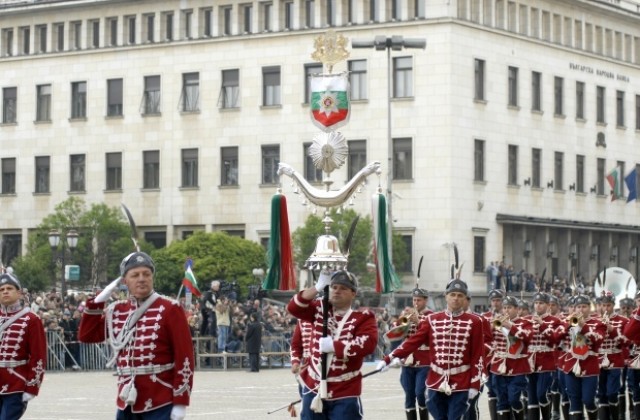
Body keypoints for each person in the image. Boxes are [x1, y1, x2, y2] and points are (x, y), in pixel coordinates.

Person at [78, 251, 194, 420]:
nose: (141, 279)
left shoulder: (170, 308)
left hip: (160, 398)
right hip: (127, 400)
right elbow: (87, 336)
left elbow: (185, 357)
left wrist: (180, 401)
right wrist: (96, 303)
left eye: (146, 274)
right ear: (124, 281)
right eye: (135, 275)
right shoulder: (117, 310)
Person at [378, 278, 484, 420]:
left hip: (461, 381)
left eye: (460, 295)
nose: (456, 299)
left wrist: (474, 383)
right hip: (436, 381)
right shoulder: (433, 319)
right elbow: (412, 342)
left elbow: (477, 355)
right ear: (446, 296)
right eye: (452, 295)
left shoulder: (475, 322)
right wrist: (389, 358)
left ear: (465, 298)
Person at [286, 270, 378, 420]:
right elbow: (293, 308)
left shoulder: (363, 318)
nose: (337, 291)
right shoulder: (319, 309)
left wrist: (335, 346)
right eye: (334, 287)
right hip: (313, 386)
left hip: (345, 389)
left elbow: (368, 345)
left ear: (353, 293)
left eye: (343, 288)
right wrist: (318, 287)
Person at [0, 272, 46, 420]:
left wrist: (33, 386)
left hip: (16, 383)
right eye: (1, 289)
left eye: (9, 288)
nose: (5, 291)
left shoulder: (31, 319)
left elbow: (38, 356)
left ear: (19, 292)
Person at [553, 294, 606, 420]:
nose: (581, 310)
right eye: (578, 307)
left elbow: (597, 340)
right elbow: (554, 338)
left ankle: (593, 413)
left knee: (588, 400)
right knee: (574, 400)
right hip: (571, 365)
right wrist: (567, 325)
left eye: (584, 307)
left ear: (589, 308)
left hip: (590, 366)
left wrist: (583, 326)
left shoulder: (598, 323)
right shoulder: (566, 321)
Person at [490, 295, 533, 420]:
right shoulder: (496, 322)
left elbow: (527, 337)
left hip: (517, 366)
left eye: (509, 308)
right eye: (504, 308)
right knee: (502, 400)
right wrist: (491, 328)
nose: (506, 310)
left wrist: (509, 326)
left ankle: (520, 416)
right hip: (499, 366)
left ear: (516, 309)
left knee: (514, 399)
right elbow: (485, 338)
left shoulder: (525, 323)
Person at [392, 287, 433, 420]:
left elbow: (432, 335)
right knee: (409, 395)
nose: (416, 303)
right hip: (408, 360)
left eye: (419, 300)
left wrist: (419, 322)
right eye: (414, 300)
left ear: (425, 300)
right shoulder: (407, 313)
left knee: (420, 393)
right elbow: (396, 333)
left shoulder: (431, 315)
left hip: (424, 360)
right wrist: (401, 321)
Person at [525, 292, 562, 420]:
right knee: (532, 397)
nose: (538, 306)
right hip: (530, 362)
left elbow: (554, 340)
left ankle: (547, 416)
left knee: (541, 394)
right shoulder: (527, 320)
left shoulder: (555, 321)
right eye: (536, 303)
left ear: (547, 306)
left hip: (546, 361)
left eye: (541, 303)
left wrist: (542, 324)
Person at [597, 292, 629, 420]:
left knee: (612, 393)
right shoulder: (595, 321)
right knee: (601, 394)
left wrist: (612, 330)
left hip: (615, 360)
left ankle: (616, 416)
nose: (605, 308)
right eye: (603, 305)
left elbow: (626, 342)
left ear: (613, 305)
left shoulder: (623, 321)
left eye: (608, 305)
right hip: (598, 361)